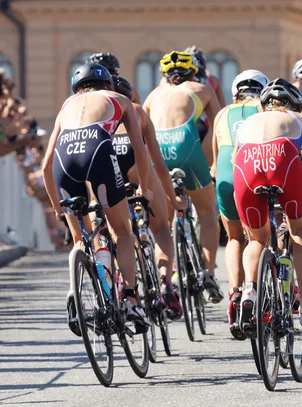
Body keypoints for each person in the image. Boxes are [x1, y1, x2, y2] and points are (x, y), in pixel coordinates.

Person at [41, 63, 152, 334]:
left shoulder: (67, 104)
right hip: (98, 150)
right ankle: (130, 300)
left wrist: (58, 209)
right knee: (122, 232)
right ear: (108, 85)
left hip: (63, 161)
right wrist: (144, 190)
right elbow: (140, 150)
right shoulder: (119, 99)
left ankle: (72, 294)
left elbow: (45, 166)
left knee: (79, 239)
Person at [232, 78, 302, 332]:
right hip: (283, 162)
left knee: (256, 239)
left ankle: (250, 288)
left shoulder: (247, 123)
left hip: (247, 167)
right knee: (300, 232)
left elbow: (234, 162)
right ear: (295, 105)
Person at [143, 51, 224, 303]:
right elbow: (219, 128)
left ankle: (166, 279)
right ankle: (209, 272)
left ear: (164, 76)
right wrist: (212, 164)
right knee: (208, 213)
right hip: (186, 147)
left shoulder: (153, 95)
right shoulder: (201, 88)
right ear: (193, 73)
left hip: (156, 152)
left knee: (162, 226)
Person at [111, 75, 187, 320]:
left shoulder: (99, 114)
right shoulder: (136, 111)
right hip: (135, 165)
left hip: (109, 169)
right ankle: (166, 282)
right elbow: (159, 164)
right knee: (161, 228)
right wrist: (172, 199)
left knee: (118, 232)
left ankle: (123, 278)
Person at [212, 69, 269, 339]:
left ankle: (234, 295)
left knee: (234, 238)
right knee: (259, 237)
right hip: (252, 171)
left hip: (225, 173)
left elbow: (215, 160)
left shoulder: (222, 113)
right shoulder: (265, 109)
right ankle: (253, 287)